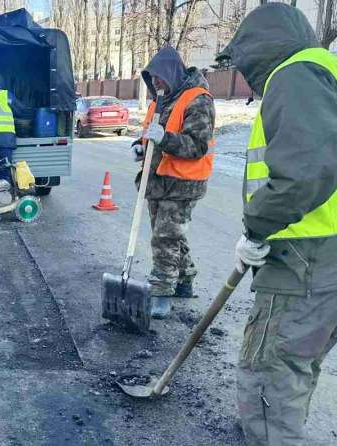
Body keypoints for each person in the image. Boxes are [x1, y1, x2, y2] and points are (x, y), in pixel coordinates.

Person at [217, 4, 337, 444]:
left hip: (304, 257)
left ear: (259, 48)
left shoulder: (296, 75)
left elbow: (308, 170)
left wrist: (256, 226)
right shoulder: (333, 71)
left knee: (269, 375)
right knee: (296, 367)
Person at [135, 46, 216, 318]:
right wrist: (140, 146)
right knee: (170, 235)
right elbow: (150, 136)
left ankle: (161, 294)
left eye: (159, 77)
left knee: (165, 237)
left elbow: (197, 146)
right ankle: (185, 278)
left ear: (171, 73)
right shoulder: (159, 101)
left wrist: (164, 139)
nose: (156, 83)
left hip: (183, 184)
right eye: (152, 79)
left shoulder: (198, 100)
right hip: (157, 181)